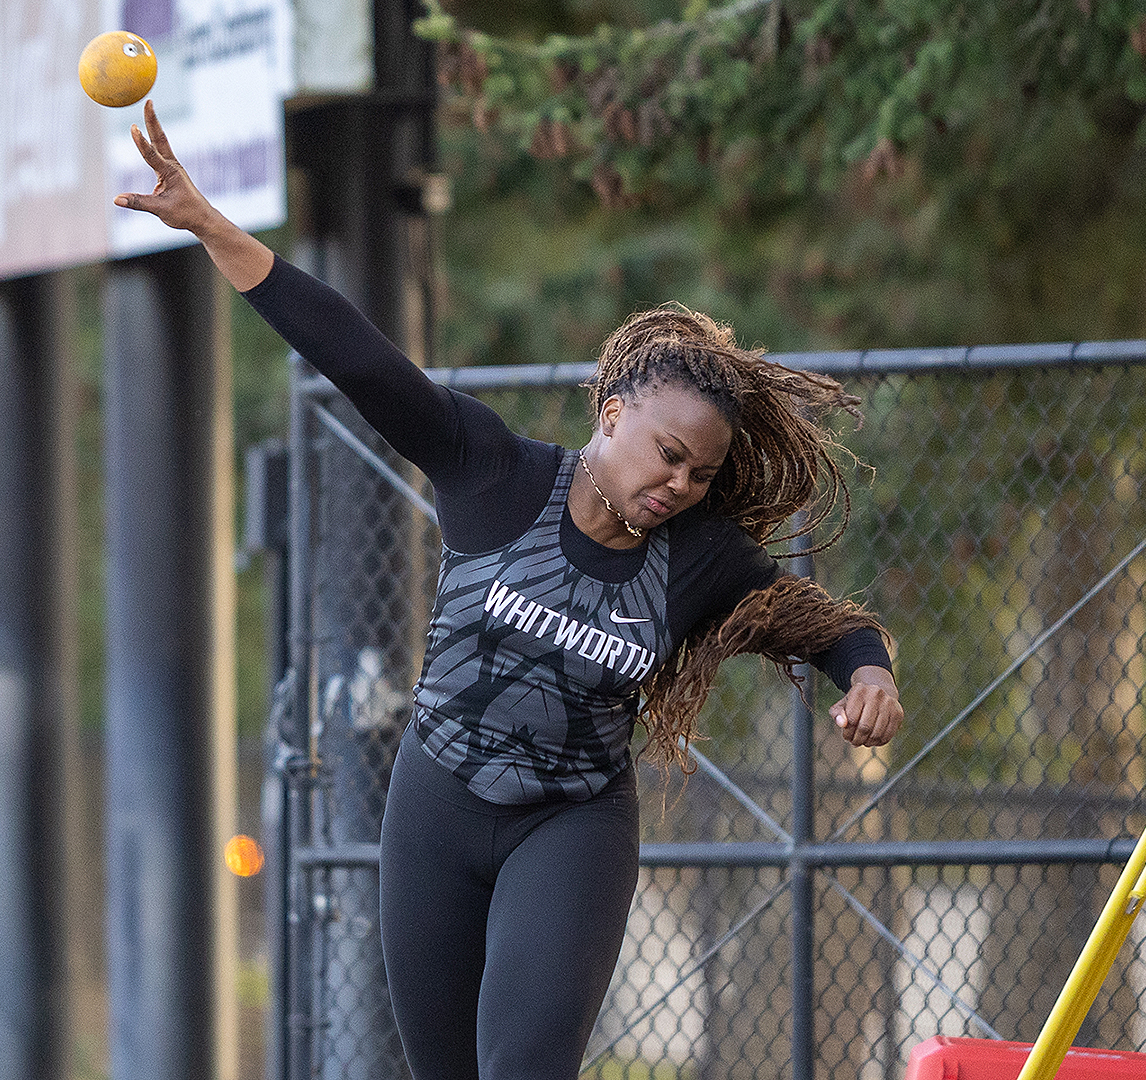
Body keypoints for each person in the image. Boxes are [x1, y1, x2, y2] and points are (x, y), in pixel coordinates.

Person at [115, 101, 903, 1080]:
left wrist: (866, 675)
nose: (678, 485)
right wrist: (212, 227)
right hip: (435, 805)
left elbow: (826, 626)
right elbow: (356, 355)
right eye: (666, 456)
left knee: (524, 1065)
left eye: (697, 474)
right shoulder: (490, 469)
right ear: (611, 414)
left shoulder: (699, 559)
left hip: (569, 824)